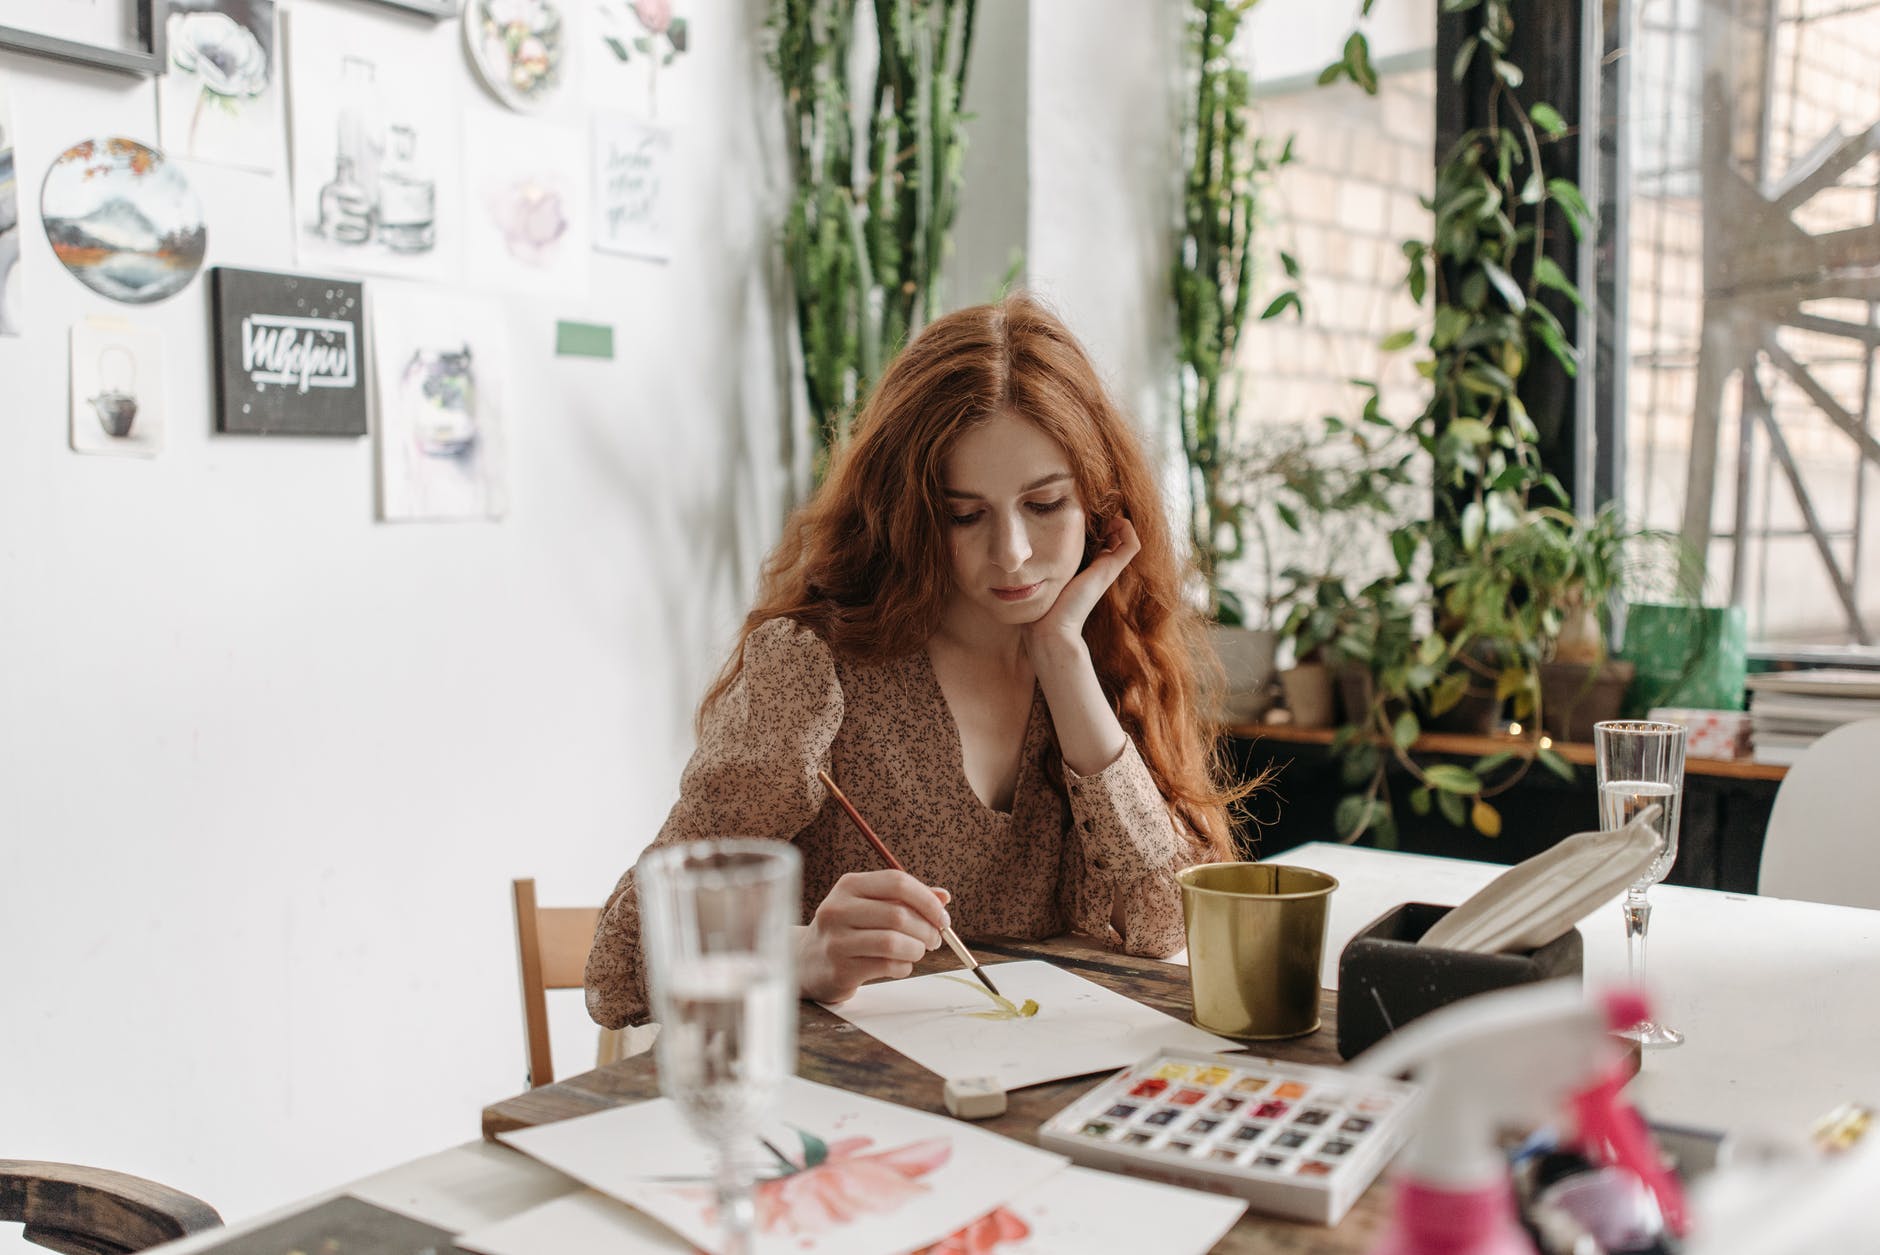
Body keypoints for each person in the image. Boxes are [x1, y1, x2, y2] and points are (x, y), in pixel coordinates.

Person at [586, 294, 1257, 1029]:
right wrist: (802, 954)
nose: (1013, 554)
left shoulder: (1105, 659)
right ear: (909, 510)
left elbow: (1169, 925)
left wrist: (1062, 658)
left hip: (1024, 1098)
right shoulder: (816, 672)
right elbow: (622, 960)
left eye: (1045, 504)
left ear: (1099, 503)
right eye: (963, 515)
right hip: (843, 1120)